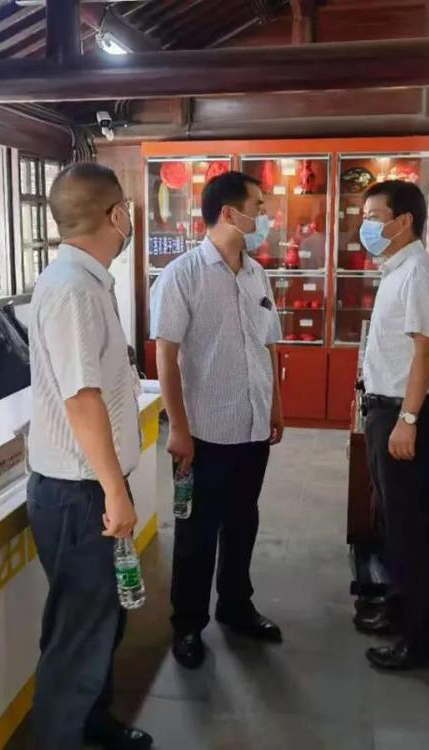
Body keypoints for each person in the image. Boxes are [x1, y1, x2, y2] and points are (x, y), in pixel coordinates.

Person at [26, 163, 152, 750]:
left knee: (103, 621)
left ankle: (94, 724)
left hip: (92, 487)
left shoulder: (90, 280)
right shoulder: (72, 289)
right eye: (127, 209)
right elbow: (81, 401)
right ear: (116, 214)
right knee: (79, 633)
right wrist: (115, 492)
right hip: (81, 494)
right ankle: (61, 737)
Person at [151, 170, 285, 670]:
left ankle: (235, 605)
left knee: (243, 520)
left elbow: (268, 343)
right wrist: (178, 427)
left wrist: (275, 404)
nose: (265, 216)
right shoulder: (182, 275)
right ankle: (188, 624)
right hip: (204, 432)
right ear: (230, 212)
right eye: (259, 206)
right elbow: (166, 357)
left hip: (252, 425)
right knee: (196, 532)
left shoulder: (256, 273)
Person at [352, 180, 429, 671]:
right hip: (384, 411)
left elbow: (425, 350)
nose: (365, 226)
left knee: (411, 529)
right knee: (391, 522)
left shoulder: (419, 273)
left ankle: (421, 639)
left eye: (373, 216)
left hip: (402, 414)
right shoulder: (396, 269)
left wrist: (407, 420)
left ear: (403, 221)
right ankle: (398, 608)